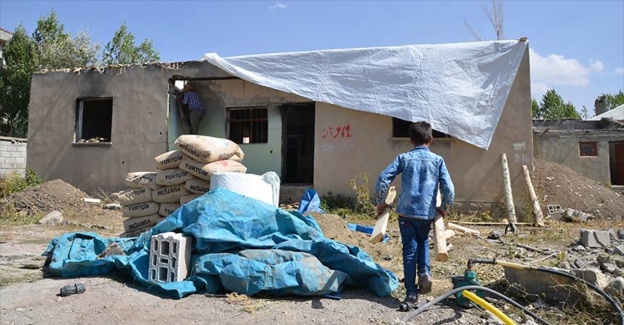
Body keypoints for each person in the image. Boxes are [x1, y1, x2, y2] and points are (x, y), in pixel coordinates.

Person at [375, 121, 454, 307]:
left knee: (409, 250)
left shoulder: (404, 158)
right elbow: (449, 188)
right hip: (426, 213)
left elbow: (382, 179)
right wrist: (444, 207)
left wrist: (380, 202)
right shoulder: (438, 160)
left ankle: (411, 293)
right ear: (431, 139)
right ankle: (425, 272)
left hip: (406, 214)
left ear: (411, 140)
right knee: (423, 241)